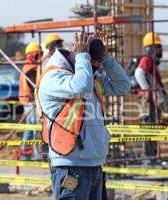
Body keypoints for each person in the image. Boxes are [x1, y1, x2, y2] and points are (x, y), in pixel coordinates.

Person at [36, 30, 130, 199]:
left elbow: (123, 86)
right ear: (79, 56)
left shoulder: (89, 76)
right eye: (92, 64)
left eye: (97, 65)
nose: (95, 69)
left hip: (94, 163)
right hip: (70, 165)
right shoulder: (54, 76)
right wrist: (83, 57)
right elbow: (82, 87)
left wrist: (106, 58)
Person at [135, 32, 164, 165]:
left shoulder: (152, 61)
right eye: (158, 46)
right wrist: (147, 90)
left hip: (150, 99)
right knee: (148, 126)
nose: (160, 49)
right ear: (151, 47)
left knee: (153, 126)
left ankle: (151, 157)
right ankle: (148, 158)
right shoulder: (147, 59)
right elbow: (139, 73)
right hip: (147, 99)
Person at [19, 42, 42, 160]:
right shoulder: (32, 68)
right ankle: (37, 154)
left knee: (30, 128)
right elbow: (35, 85)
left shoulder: (27, 66)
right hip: (31, 102)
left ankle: (25, 153)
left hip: (27, 101)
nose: (40, 57)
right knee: (35, 128)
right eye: (39, 54)